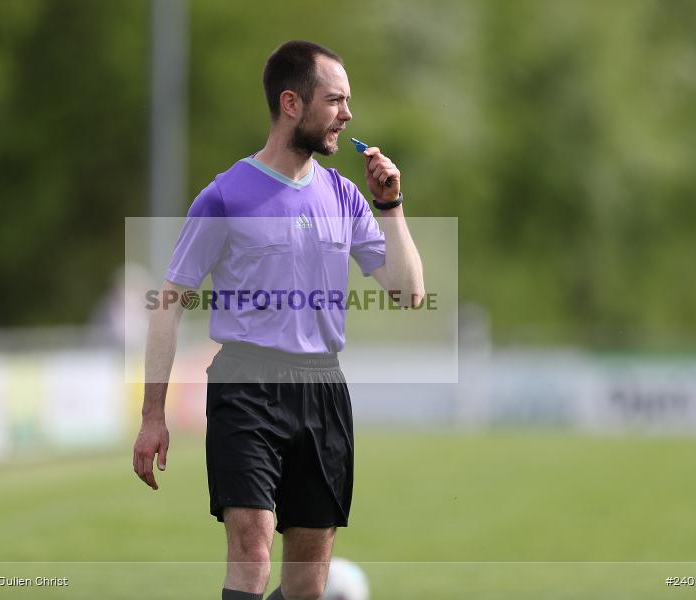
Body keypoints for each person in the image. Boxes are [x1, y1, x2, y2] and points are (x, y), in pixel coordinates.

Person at [133, 40, 424, 600]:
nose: (348, 115)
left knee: (308, 582)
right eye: (335, 101)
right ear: (292, 103)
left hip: (323, 386)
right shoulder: (224, 196)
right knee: (253, 551)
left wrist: (390, 206)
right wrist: (153, 414)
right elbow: (168, 306)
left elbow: (407, 291)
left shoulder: (344, 194)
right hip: (246, 383)